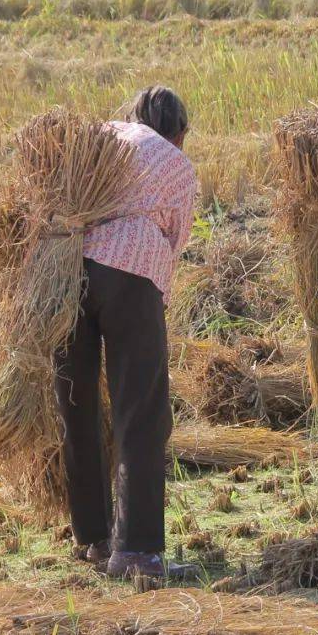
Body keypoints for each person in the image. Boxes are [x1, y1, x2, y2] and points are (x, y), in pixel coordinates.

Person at [55, 85, 197, 580]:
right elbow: (174, 240)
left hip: (64, 271)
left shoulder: (100, 135)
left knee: (76, 405)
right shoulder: (175, 161)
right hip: (131, 273)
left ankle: (93, 538)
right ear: (178, 132)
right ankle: (135, 551)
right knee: (140, 410)